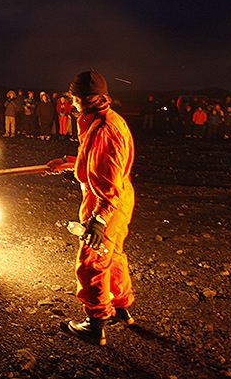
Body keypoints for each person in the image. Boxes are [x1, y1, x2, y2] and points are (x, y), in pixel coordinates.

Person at [46, 70, 135, 345]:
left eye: (74, 98)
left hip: (106, 201)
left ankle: (95, 323)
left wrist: (99, 218)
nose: (71, 103)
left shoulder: (106, 128)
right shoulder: (101, 120)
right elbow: (94, 160)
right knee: (114, 254)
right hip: (116, 198)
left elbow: (108, 175)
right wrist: (69, 162)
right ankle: (120, 307)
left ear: (84, 98)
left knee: (91, 262)